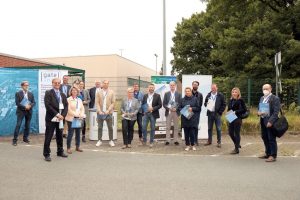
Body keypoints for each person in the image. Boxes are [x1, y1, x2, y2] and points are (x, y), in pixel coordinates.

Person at [43, 78, 68, 162]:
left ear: (60, 84)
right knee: (49, 136)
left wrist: (63, 116)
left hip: (60, 119)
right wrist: (57, 114)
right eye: (55, 83)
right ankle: (46, 154)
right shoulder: (48, 93)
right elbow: (48, 105)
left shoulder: (63, 94)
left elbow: (66, 106)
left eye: (58, 83)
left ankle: (60, 151)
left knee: (59, 136)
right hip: (51, 119)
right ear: (52, 83)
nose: (57, 84)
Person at [258, 84, 280, 162]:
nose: (265, 90)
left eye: (267, 88)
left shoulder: (275, 98)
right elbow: (260, 109)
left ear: (271, 89)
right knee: (264, 137)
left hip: (270, 122)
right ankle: (267, 153)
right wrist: (259, 113)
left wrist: (271, 121)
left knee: (271, 138)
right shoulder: (262, 98)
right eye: (263, 89)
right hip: (263, 120)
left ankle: (273, 155)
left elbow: (276, 112)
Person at [12, 81, 36, 146]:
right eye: (25, 85)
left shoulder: (31, 93)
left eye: (27, 85)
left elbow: (34, 102)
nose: (27, 86)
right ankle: (14, 140)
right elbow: (17, 103)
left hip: (29, 112)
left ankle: (25, 138)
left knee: (27, 126)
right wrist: (25, 106)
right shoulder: (18, 93)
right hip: (21, 112)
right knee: (18, 125)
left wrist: (30, 106)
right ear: (22, 86)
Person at [204, 84, 226, 148]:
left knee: (218, 129)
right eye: (212, 88)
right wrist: (207, 104)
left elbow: (224, 104)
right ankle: (209, 141)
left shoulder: (220, 95)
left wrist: (220, 112)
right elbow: (205, 103)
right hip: (210, 114)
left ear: (217, 88)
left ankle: (219, 142)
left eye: (214, 88)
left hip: (217, 114)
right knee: (209, 128)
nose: (213, 89)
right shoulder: (208, 95)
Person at [95, 80, 116, 147]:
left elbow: (113, 102)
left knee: (110, 127)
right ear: (102, 84)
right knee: (100, 127)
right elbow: (97, 102)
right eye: (104, 83)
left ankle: (111, 140)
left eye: (107, 83)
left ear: (108, 84)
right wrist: (99, 111)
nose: (106, 84)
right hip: (100, 113)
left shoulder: (112, 92)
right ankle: (99, 140)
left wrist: (108, 110)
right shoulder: (98, 92)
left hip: (109, 113)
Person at [65, 87, 85, 154]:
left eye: (75, 90)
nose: (74, 91)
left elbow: (82, 108)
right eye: (73, 90)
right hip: (71, 118)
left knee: (78, 133)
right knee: (70, 133)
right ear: (71, 92)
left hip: (78, 118)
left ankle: (77, 146)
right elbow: (68, 110)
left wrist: (81, 114)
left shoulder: (79, 100)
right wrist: (75, 114)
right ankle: (68, 148)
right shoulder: (68, 99)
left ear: (77, 92)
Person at [227, 87, 247, 154]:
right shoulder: (231, 100)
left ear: (238, 93)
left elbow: (244, 109)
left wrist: (236, 111)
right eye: (233, 92)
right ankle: (237, 143)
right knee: (230, 132)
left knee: (237, 133)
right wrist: (228, 113)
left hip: (238, 118)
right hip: (231, 117)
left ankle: (236, 149)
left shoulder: (240, 100)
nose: (234, 93)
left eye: (235, 92)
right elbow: (229, 109)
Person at [141, 83, 162, 148]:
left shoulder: (157, 96)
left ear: (154, 88)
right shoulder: (145, 96)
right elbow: (143, 104)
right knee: (144, 127)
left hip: (153, 113)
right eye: (150, 87)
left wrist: (153, 108)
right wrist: (144, 111)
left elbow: (160, 105)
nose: (151, 88)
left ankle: (151, 142)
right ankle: (144, 141)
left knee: (152, 128)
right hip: (146, 114)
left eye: (152, 87)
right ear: (148, 88)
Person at [163, 81, 181, 146]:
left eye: (173, 85)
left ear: (175, 86)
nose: (172, 86)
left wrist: (176, 108)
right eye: (171, 85)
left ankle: (175, 140)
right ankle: (167, 140)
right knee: (168, 127)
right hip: (169, 112)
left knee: (176, 127)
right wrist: (169, 108)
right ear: (169, 86)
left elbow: (180, 103)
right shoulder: (166, 94)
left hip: (176, 112)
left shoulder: (178, 94)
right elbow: (164, 104)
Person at [191, 81, 203, 146]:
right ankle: (191, 140)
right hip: (189, 112)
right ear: (192, 85)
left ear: (198, 86)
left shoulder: (200, 94)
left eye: (196, 85)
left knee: (195, 127)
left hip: (197, 113)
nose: (195, 86)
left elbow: (200, 104)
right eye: (194, 84)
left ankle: (196, 140)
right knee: (191, 127)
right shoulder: (189, 93)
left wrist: (196, 108)